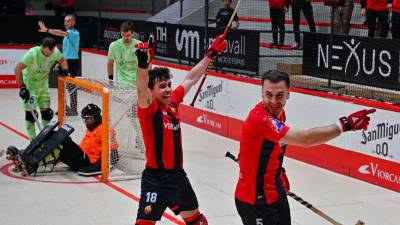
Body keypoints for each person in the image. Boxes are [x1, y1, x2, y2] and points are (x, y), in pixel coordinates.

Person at [234, 70, 375, 225]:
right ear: (261, 93)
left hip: (275, 193)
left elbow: (268, 149)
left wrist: (277, 174)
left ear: (289, 93)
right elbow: (306, 139)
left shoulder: (279, 114)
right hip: (255, 201)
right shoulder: (260, 119)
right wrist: (344, 125)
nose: (274, 101)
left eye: (280, 95)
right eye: (268, 95)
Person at [132, 35, 227, 225]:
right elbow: (142, 90)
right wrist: (143, 66)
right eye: (162, 86)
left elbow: (191, 78)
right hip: (156, 180)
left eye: (169, 85)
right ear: (152, 91)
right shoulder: (149, 109)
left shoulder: (173, 103)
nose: (167, 90)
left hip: (178, 177)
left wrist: (210, 55)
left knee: (198, 222)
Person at [5, 104, 119, 177]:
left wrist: (93, 168)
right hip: (80, 155)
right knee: (54, 135)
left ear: (96, 117)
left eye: (88, 119)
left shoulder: (106, 130)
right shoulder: (92, 127)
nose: (86, 122)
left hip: (87, 161)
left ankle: (32, 163)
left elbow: (114, 155)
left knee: (63, 141)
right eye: (85, 119)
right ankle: (26, 154)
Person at [15, 37, 69, 140]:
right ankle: (33, 141)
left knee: (47, 114)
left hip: (43, 86)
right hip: (30, 86)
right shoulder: (32, 54)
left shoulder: (54, 51)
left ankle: (46, 138)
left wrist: (65, 70)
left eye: (52, 52)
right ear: (42, 47)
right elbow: (18, 68)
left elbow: (62, 60)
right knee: (31, 114)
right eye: (47, 52)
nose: (50, 54)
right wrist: (22, 87)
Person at [38, 14, 80, 116]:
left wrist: (47, 30)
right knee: (60, 86)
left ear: (73, 22)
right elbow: (65, 51)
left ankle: (73, 110)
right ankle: (64, 108)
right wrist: (60, 62)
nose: (66, 23)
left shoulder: (74, 33)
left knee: (71, 87)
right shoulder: (66, 36)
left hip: (72, 63)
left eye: (68, 21)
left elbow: (61, 33)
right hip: (65, 62)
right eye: (65, 21)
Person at [107, 21, 141, 87]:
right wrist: (111, 82)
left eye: (128, 35)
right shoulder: (114, 45)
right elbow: (110, 64)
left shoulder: (139, 45)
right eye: (123, 35)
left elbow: (145, 66)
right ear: (120, 32)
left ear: (133, 33)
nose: (125, 38)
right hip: (121, 84)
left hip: (137, 84)